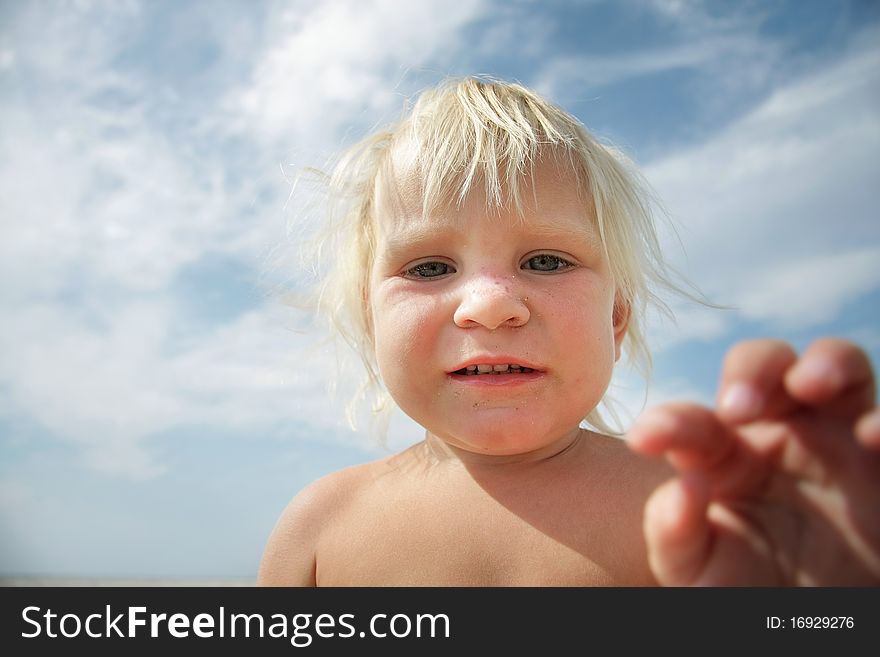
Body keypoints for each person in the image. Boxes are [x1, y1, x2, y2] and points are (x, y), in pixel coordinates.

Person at [257, 77, 880, 586]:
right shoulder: (320, 531)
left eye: (546, 261)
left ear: (616, 316)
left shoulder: (691, 509)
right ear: (372, 321)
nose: (491, 306)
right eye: (429, 268)